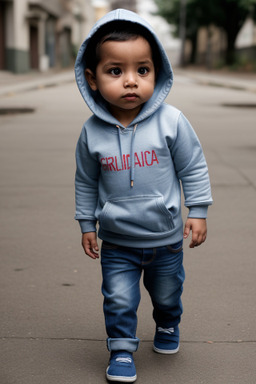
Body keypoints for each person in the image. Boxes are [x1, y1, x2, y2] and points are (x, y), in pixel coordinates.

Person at [74, 8, 212, 383]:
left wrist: (197, 210)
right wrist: (87, 222)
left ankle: (168, 324)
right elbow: (86, 182)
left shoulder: (172, 122)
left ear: (158, 71)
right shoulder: (91, 133)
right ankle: (121, 349)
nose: (131, 82)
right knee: (118, 299)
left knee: (167, 295)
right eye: (116, 71)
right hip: (117, 240)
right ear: (93, 78)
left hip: (165, 239)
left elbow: (193, 168)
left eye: (143, 70)